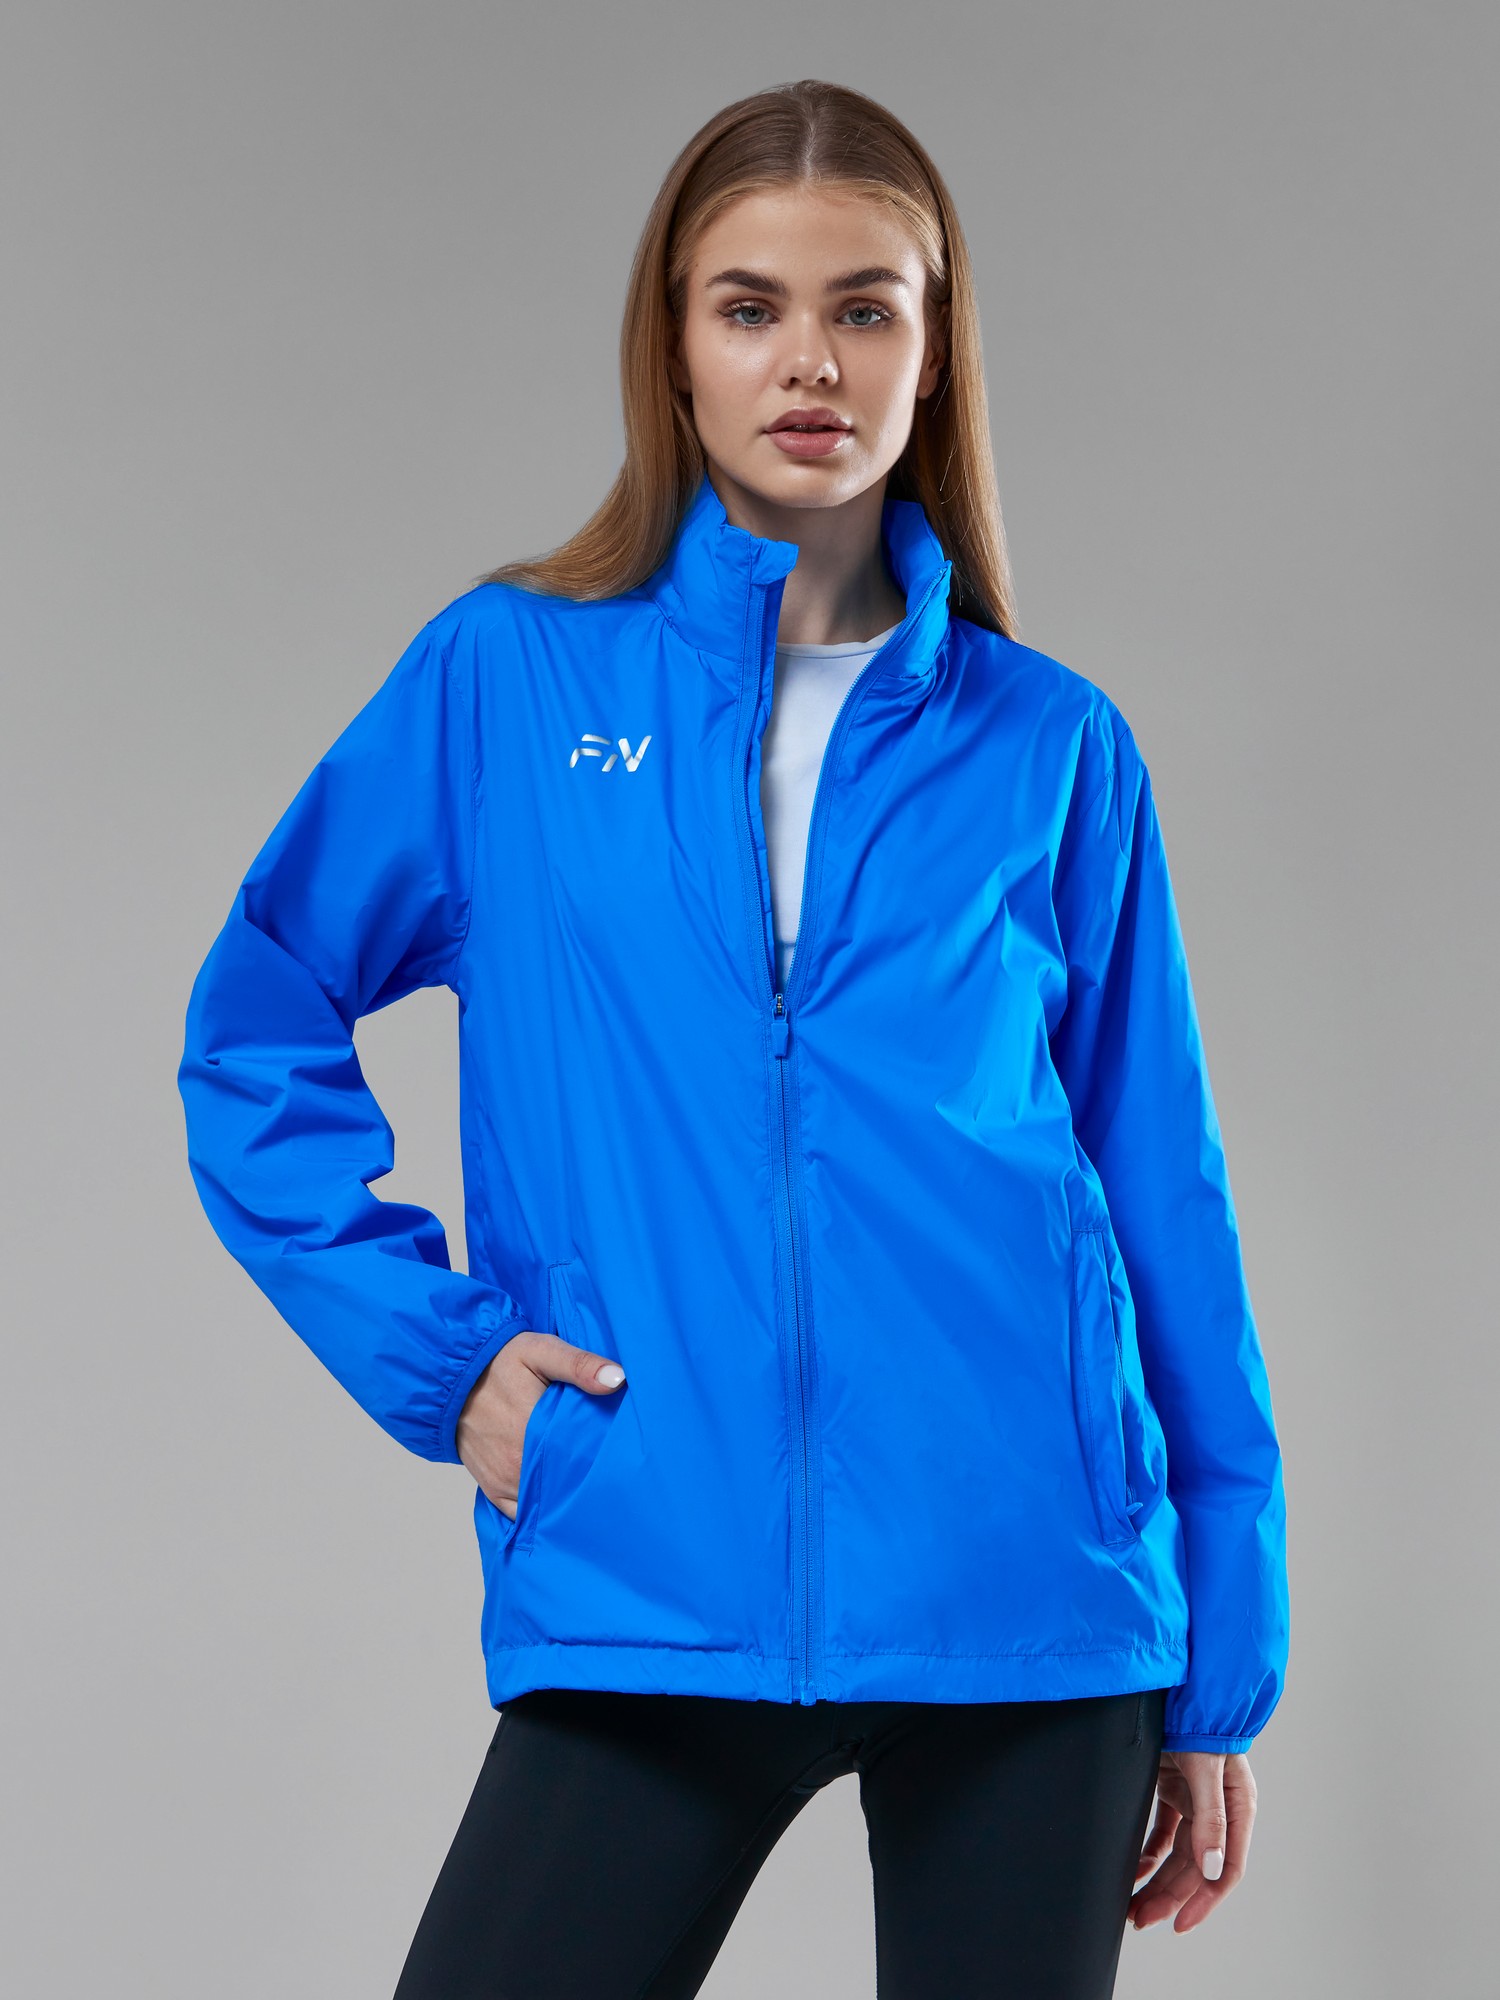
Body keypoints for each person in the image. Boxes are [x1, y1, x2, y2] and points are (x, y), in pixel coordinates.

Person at [177, 78, 1289, 1999]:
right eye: (751, 305)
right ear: (675, 347)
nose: (812, 361)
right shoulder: (511, 679)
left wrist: (1224, 1662)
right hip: (647, 1563)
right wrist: (447, 1363)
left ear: (934, 351)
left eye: (867, 307)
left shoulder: (1052, 744)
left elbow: (1159, 1191)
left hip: (1032, 1597)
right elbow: (254, 1027)